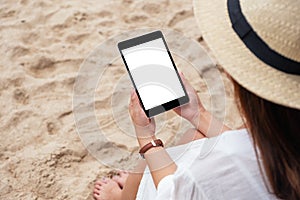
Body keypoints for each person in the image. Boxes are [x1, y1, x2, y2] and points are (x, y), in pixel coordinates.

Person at [93, 0, 300, 199]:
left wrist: (147, 139)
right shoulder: (284, 141)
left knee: (151, 163)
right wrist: (197, 113)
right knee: (194, 136)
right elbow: (247, 150)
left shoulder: (206, 175)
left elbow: (172, 192)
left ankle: (123, 197)